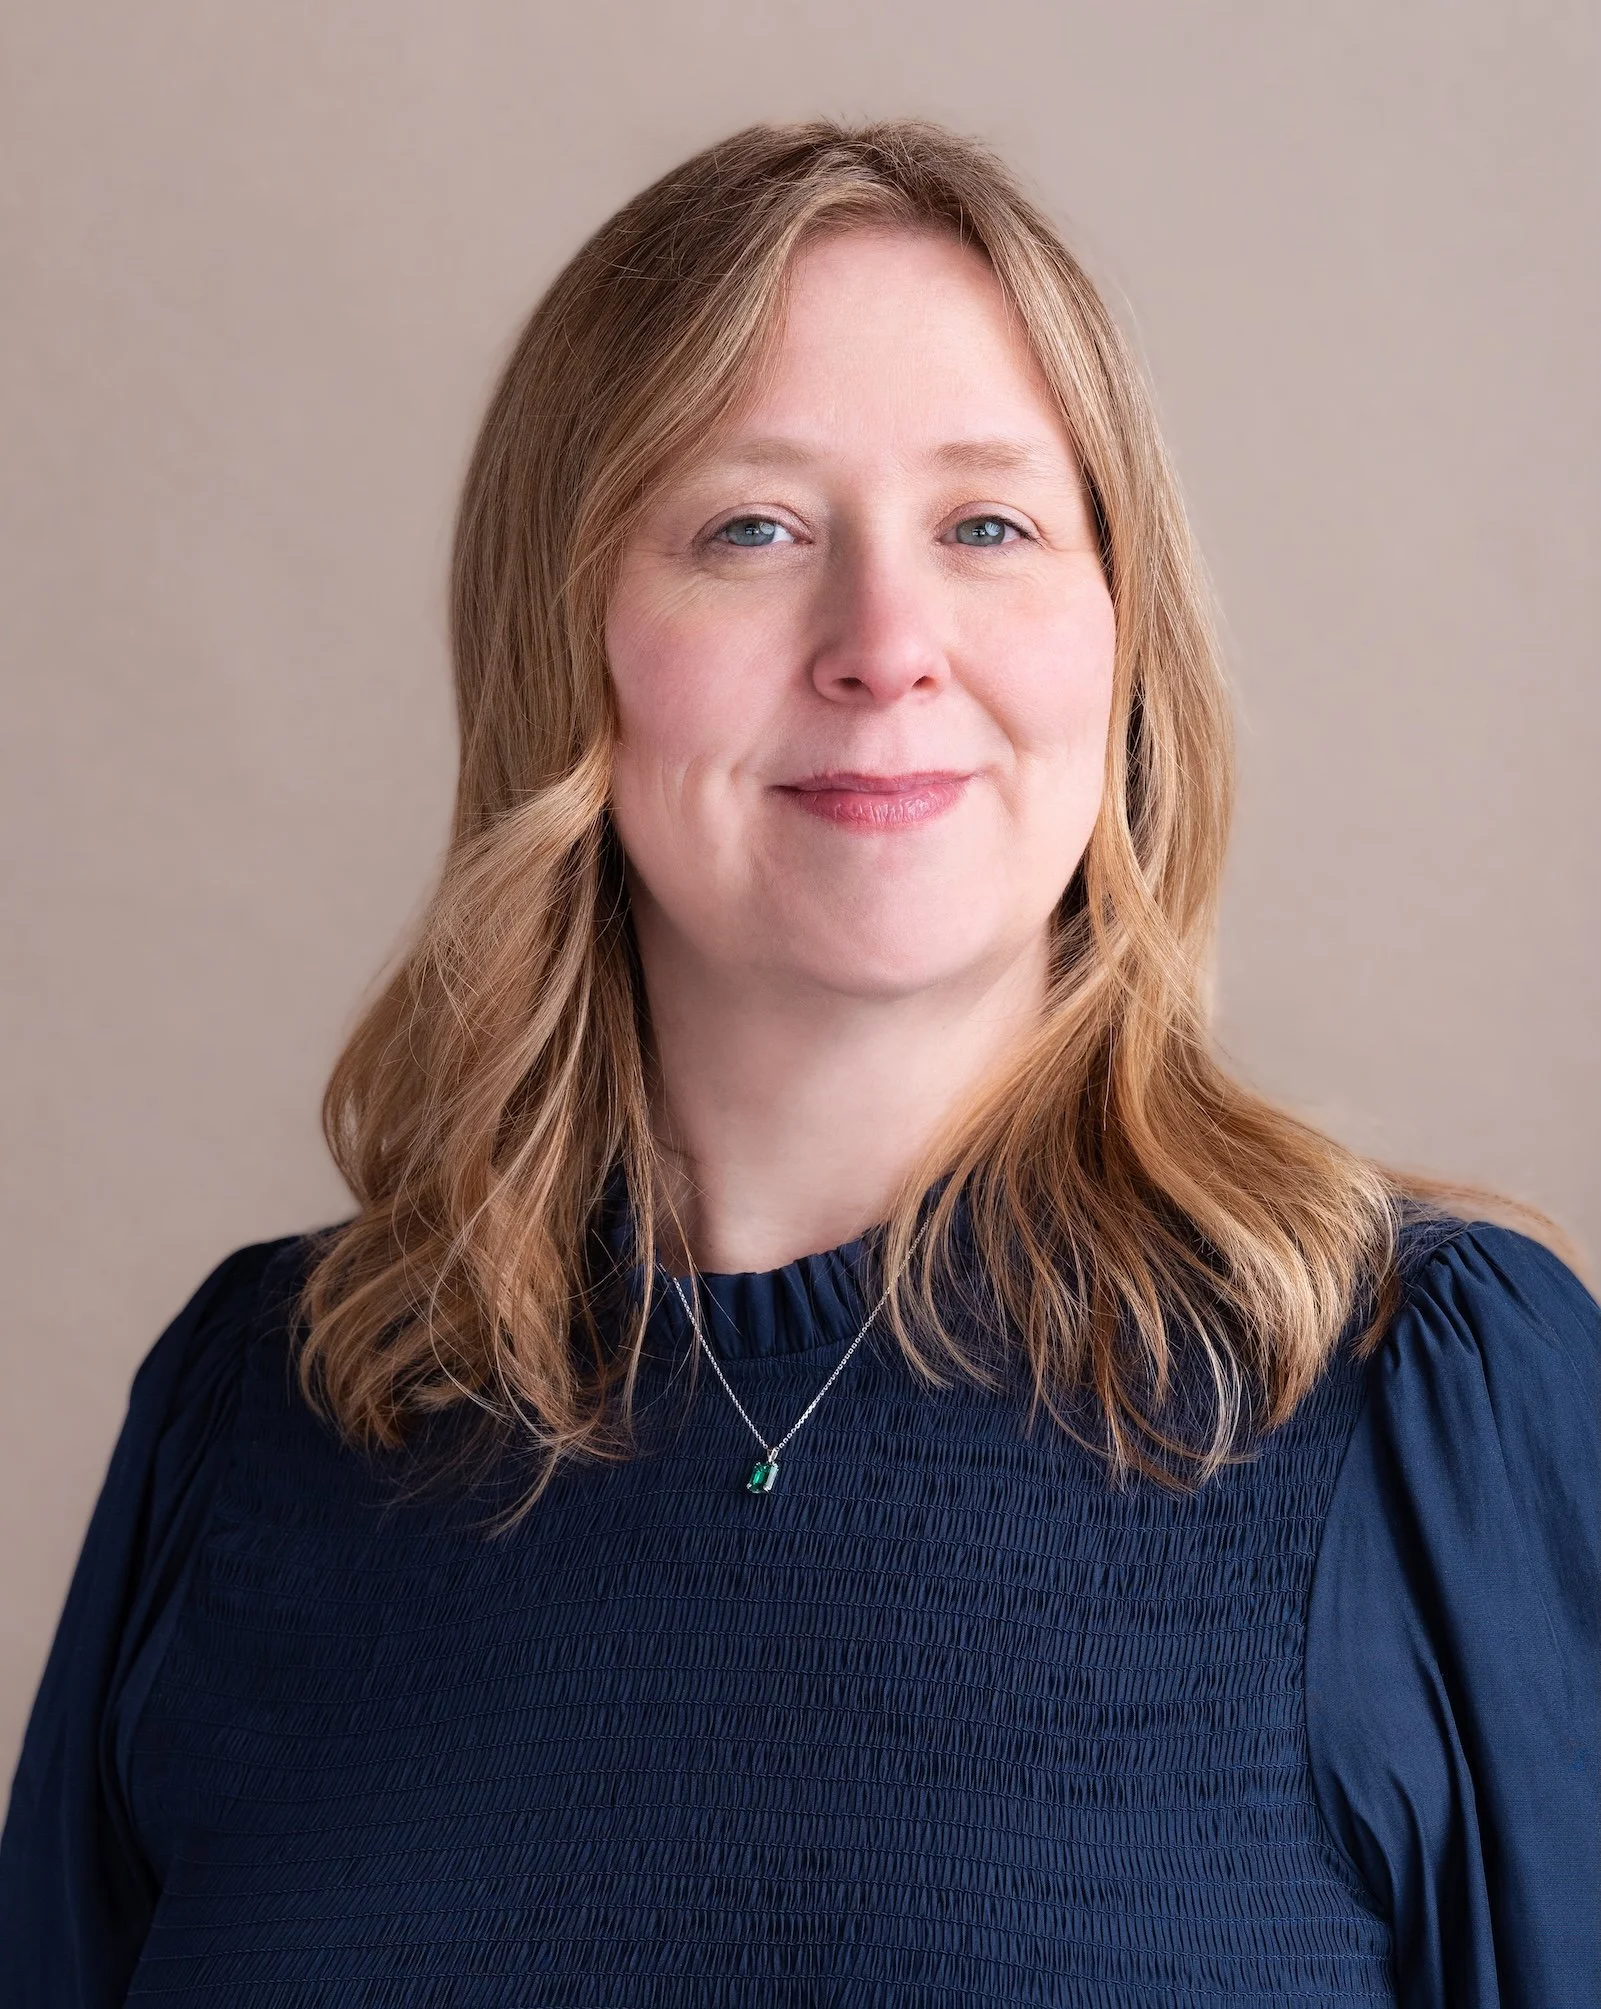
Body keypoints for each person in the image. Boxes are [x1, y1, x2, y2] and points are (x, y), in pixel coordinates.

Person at [1, 119, 1595, 2008]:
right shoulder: (257, 1422)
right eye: (751, 528)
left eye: (988, 524)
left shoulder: (1418, 1402)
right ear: (567, 634)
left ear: (1121, 633)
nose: (886, 644)